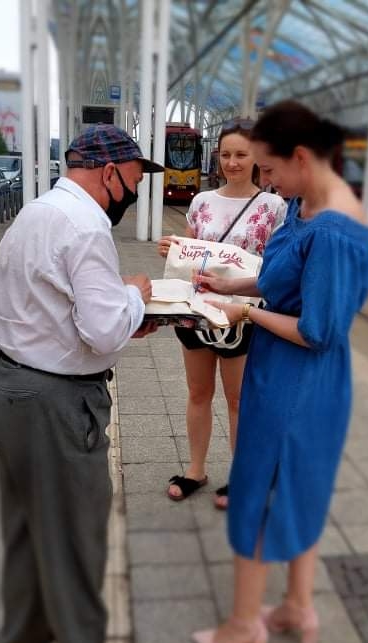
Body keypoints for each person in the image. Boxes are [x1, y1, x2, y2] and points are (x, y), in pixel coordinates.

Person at [191, 100, 368, 643]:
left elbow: (317, 330)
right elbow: (282, 278)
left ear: (299, 156)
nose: (265, 181)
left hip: (299, 381)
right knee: (299, 489)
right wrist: (234, 286)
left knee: (257, 490)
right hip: (291, 373)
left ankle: (244, 626)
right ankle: (297, 607)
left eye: (268, 169)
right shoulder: (304, 202)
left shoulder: (334, 229)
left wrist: (246, 314)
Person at [0, 124, 162, 643]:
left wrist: (121, 310)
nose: (135, 191)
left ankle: (24, 638)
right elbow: (103, 331)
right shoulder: (87, 226)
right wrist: (136, 296)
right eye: (134, 180)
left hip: (2, 384)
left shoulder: (39, 210)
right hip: (49, 405)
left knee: (28, 534)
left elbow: (53, 304)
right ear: (110, 173)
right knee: (75, 546)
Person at [157, 118, 286, 509]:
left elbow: (275, 267)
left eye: (241, 154)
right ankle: (196, 469)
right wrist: (173, 253)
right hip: (197, 311)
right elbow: (190, 258)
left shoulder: (273, 206)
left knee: (238, 400)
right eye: (226, 154)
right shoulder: (201, 202)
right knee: (198, 392)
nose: (232, 163)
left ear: (256, 156)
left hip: (241, 314)